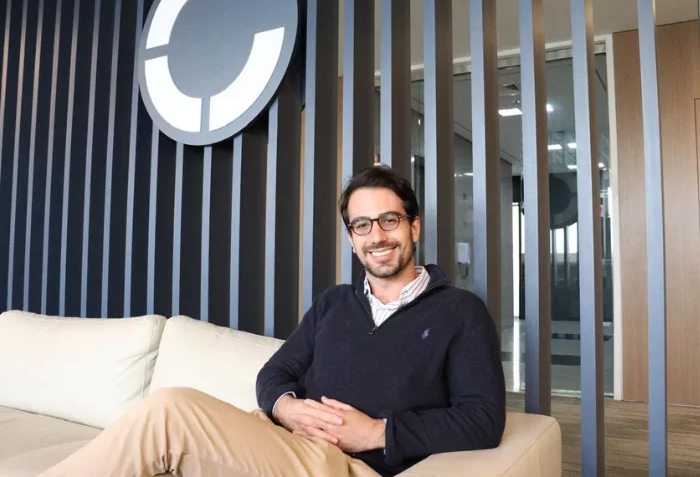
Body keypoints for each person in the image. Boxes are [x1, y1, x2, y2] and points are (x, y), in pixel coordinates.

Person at [41, 165, 505, 477]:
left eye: (389, 220)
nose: (377, 236)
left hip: (344, 465)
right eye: (362, 225)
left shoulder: (459, 311)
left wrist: (375, 432)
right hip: (277, 439)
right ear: (351, 238)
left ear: (414, 226)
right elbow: (275, 373)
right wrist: (285, 407)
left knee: (169, 411)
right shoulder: (333, 303)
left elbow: (483, 419)